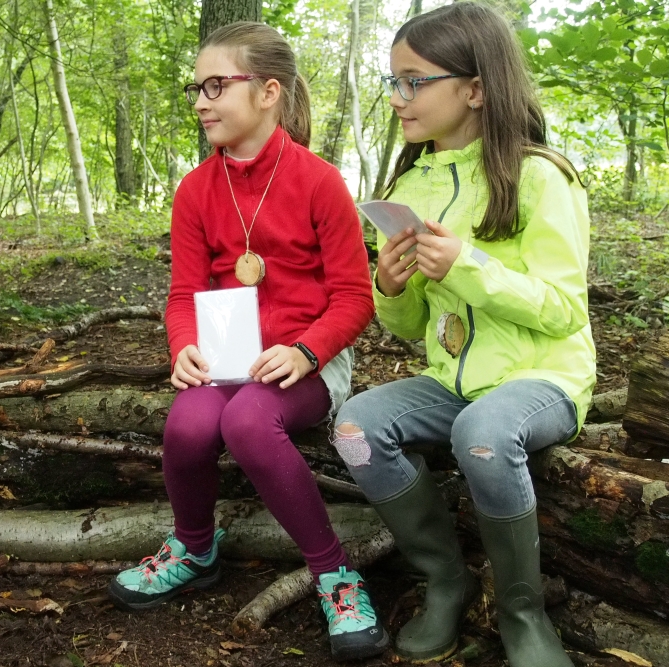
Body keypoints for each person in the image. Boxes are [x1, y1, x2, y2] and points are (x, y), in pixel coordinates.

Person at [106, 21, 382, 662]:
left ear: (268, 92)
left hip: (307, 360)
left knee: (250, 424)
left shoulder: (319, 182)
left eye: (215, 85)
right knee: (189, 427)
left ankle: (334, 574)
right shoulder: (196, 190)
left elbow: (353, 297)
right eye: (195, 88)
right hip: (226, 354)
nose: (200, 101)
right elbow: (183, 295)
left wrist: (307, 352)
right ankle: (195, 550)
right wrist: (183, 347)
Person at [331, 4, 595, 666]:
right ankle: (446, 578)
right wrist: (391, 287)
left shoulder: (540, 176)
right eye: (392, 82)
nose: (398, 98)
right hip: (454, 379)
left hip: (543, 378)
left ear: (475, 88)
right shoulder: (410, 185)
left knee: (480, 432)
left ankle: (522, 611)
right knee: (356, 424)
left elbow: (564, 309)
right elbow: (412, 326)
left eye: (413, 81)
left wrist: (470, 267)